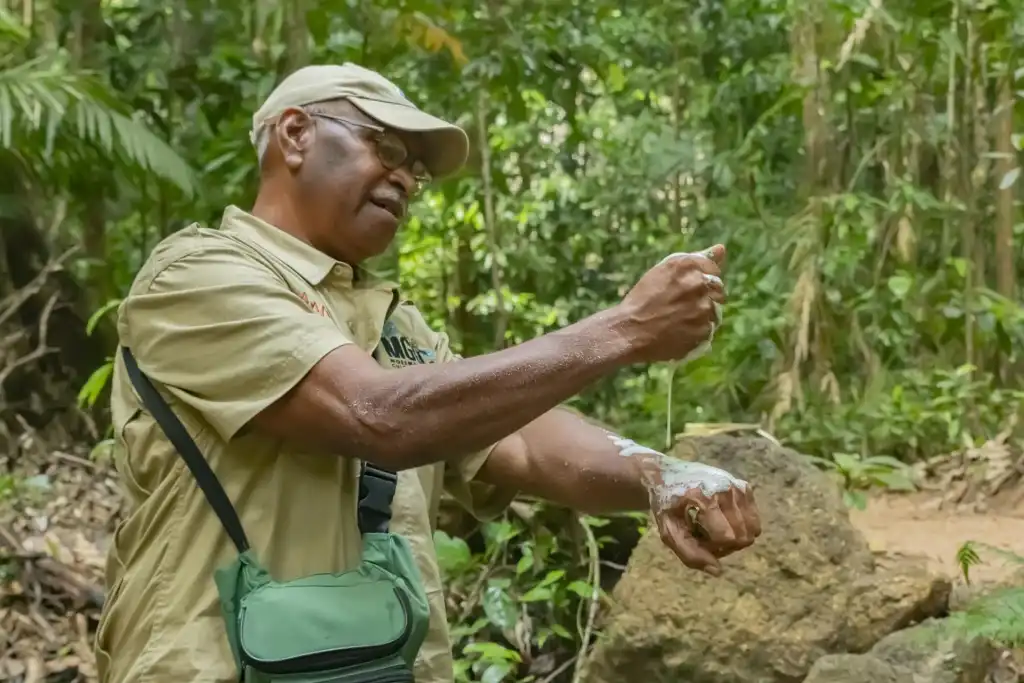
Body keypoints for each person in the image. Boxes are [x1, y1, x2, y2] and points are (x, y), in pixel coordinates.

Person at [95, 63, 761, 683]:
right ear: (295, 134)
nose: (408, 180)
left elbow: (524, 440)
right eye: (386, 149)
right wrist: (624, 330)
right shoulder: (197, 277)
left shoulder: (395, 327)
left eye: (416, 169)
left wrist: (661, 474)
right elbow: (379, 414)